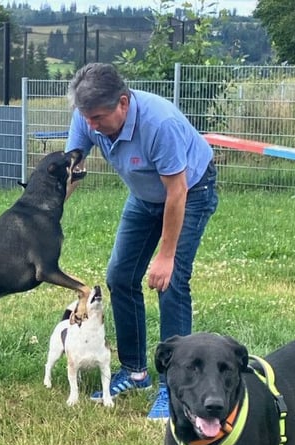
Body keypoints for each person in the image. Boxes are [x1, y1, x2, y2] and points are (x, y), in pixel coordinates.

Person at [64, 63, 218, 420]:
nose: (91, 126)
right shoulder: (88, 116)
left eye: (98, 118)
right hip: (145, 196)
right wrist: (44, 213)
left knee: (172, 281)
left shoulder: (158, 124)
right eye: (86, 118)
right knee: (119, 277)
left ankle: (175, 390)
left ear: (122, 102)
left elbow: (176, 193)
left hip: (190, 192)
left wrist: (165, 256)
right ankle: (134, 372)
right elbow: (70, 170)